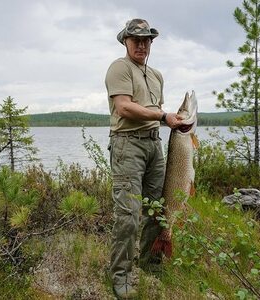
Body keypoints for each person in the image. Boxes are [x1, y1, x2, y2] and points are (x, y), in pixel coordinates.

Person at [105, 18, 183, 299]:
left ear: (151, 43)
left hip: (154, 146)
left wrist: (173, 121)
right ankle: (120, 275)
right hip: (127, 146)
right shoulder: (119, 68)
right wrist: (164, 116)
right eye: (135, 39)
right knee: (127, 216)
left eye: (146, 39)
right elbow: (125, 108)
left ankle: (150, 263)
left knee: (156, 208)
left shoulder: (157, 75)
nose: (141, 44)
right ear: (125, 41)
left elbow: (153, 112)